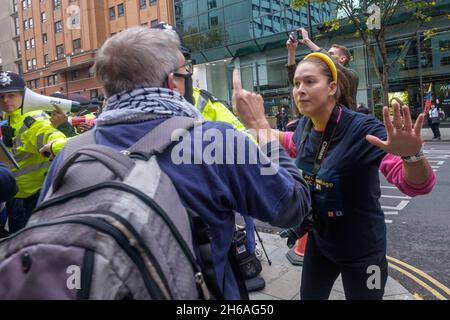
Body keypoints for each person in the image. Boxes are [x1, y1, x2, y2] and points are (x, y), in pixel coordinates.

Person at [38, 27, 312, 299]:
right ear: (173, 82)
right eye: (186, 71)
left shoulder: (71, 152)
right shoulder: (216, 140)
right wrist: (260, 125)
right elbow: (292, 206)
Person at [233, 52, 435, 300]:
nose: (300, 90)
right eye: (296, 84)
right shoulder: (305, 127)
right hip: (321, 242)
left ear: (332, 87)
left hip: (364, 251)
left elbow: (417, 184)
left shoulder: (362, 129)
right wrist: (248, 128)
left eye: (309, 82)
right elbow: (287, 141)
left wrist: (411, 156)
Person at [151, 22, 260, 258]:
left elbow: (245, 141)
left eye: (179, 61)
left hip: (206, 215)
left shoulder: (203, 101)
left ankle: (248, 254)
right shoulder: (132, 109)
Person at [0, 71, 68, 232]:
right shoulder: (11, 118)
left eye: (11, 95)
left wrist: (58, 143)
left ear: (23, 95)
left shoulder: (33, 120)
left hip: (34, 199)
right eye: (1, 96)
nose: (5, 100)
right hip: (18, 196)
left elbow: (59, 141)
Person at [286, 28, 359, 110]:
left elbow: (334, 64)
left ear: (342, 59)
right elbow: (294, 78)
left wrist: (307, 41)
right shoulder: (325, 75)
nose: (327, 55)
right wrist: (291, 52)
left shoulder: (352, 76)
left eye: (331, 54)